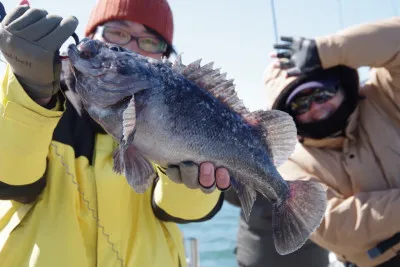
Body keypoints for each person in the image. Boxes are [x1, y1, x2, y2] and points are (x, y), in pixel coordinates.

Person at [0, 0, 232, 266]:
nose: (130, 47)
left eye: (149, 42)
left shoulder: (181, 112)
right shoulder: (32, 96)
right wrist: (28, 92)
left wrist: (192, 181)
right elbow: (11, 181)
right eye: (116, 34)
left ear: (165, 57)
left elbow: (180, 212)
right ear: (90, 37)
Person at [261, 17, 400, 267]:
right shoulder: (287, 161)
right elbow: (332, 226)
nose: (316, 107)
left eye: (322, 92)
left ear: (340, 86)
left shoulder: (385, 96)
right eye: (300, 103)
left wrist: (328, 50)